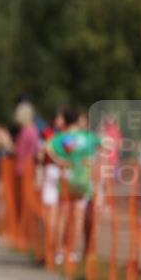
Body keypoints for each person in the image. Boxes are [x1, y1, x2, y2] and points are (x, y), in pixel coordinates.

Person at [45, 107, 100, 265]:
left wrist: (62, 162)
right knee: (78, 216)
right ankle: (72, 251)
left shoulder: (61, 137)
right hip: (82, 178)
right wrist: (90, 160)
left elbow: (48, 148)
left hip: (66, 177)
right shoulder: (87, 137)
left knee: (62, 214)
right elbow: (104, 145)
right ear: (77, 119)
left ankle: (59, 251)